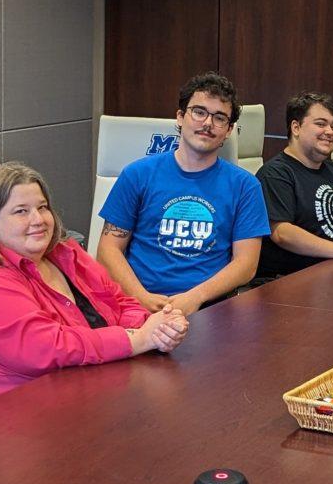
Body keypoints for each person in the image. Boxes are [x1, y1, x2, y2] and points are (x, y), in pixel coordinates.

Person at [0, 163, 188, 431]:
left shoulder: (65, 253)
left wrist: (158, 326)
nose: (38, 220)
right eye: (21, 211)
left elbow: (117, 301)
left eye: (42, 207)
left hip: (65, 401)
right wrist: (137, 338)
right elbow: (48, 347)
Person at [97, 72, 270, 315]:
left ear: (229, 130)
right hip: (136, 304)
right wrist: (142, 298)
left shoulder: (245, 186)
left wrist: (195, 298)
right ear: (180, 117)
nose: (207, 123)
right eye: (199, 112)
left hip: (210, 308)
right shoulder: (137, 174)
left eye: (219, 118)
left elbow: (246, 265)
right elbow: (108, 250)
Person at [255, 92, 333, 278]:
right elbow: (282, 233)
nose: (330, 132)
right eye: (321, 124)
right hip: (294, 283)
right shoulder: (275, 174)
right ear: (296, 127)